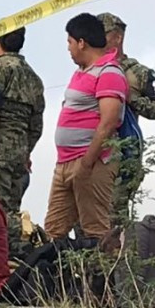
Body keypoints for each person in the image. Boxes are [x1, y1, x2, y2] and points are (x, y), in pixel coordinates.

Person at [44, 13, 127, 244]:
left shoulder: (108, 71)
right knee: (53, 230)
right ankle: (60, 279)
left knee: (96, 231)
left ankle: (105, 278)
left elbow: (109, 122)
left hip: (91, 162)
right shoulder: (81, 72)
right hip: (65, 163)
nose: (68, 49)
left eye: (70, 42)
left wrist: (88, 162)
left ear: (82, 42)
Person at [0, 27, 45, 255]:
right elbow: (37, 125)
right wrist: (24, 151)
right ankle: (17, 260)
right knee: (12, 211)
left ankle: (24, 245)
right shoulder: (34, 77)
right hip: (19, 155)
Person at [98, 13, 155, 226]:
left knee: (114, 217)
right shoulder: (89, 69)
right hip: (88, 152)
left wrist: (132, 99)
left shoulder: (139, 73)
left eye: (102, 35)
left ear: (117, 38)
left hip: (121, 155)